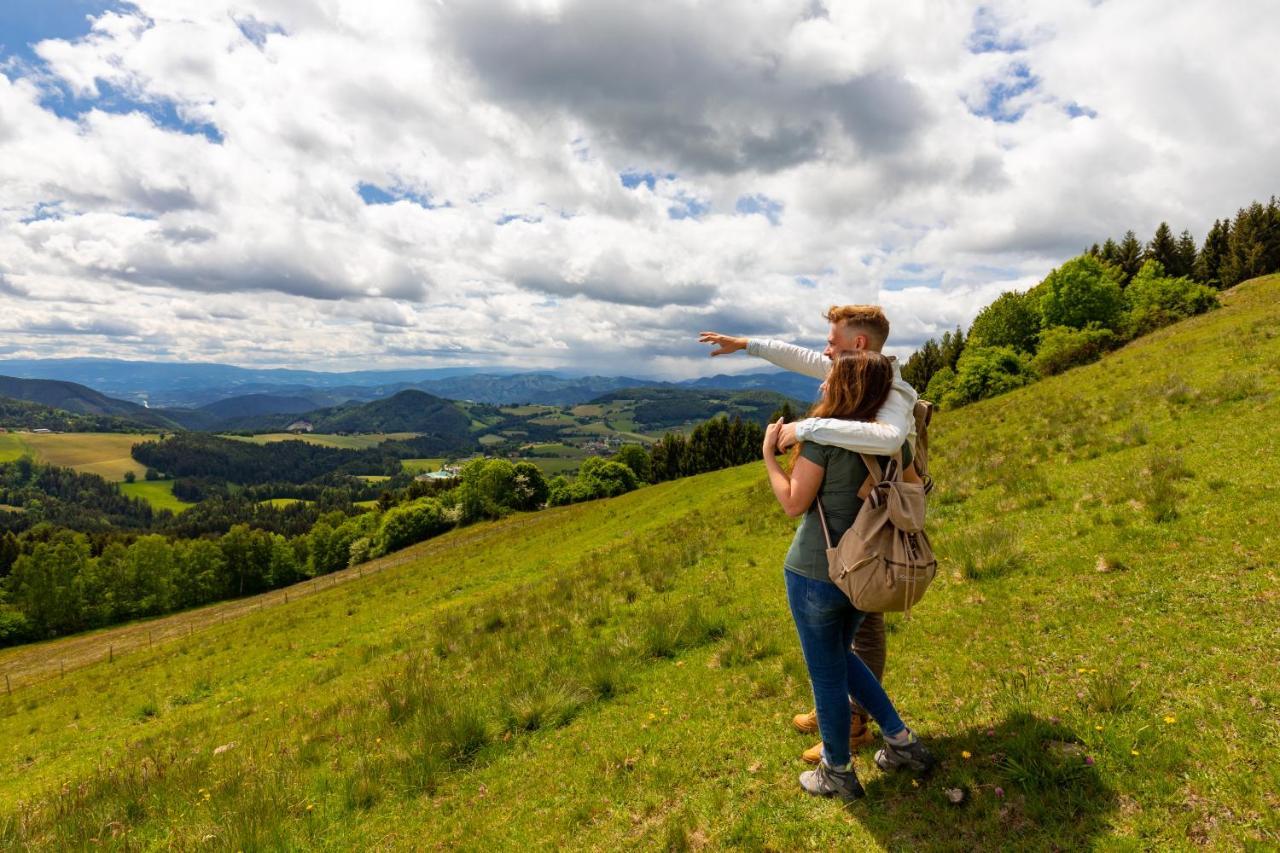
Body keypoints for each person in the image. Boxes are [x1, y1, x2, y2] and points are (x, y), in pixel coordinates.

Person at [700, 305, 916, 762]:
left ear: (857, 346)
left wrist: (803, 430)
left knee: (854, 639)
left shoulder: (892, 392)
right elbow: (796, 355)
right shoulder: (862, 377)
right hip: (864, 532)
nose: (824, 354)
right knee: (848, 640)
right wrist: (746, 344)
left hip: (857, 541)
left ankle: (851, 725)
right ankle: (871, 724)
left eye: (832, 343)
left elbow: (889, 440)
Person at [761, 350, 936, 801]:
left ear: (844, 387)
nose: (822, 383)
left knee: (826, 673)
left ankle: (836, 770)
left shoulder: (822, 441)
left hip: (816, 571)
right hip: (868, 572)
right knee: (843, 656)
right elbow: (917, 489)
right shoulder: (898, 441)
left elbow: (793, 503)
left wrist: (768, 458)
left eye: (831, 377)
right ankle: (900, 741)